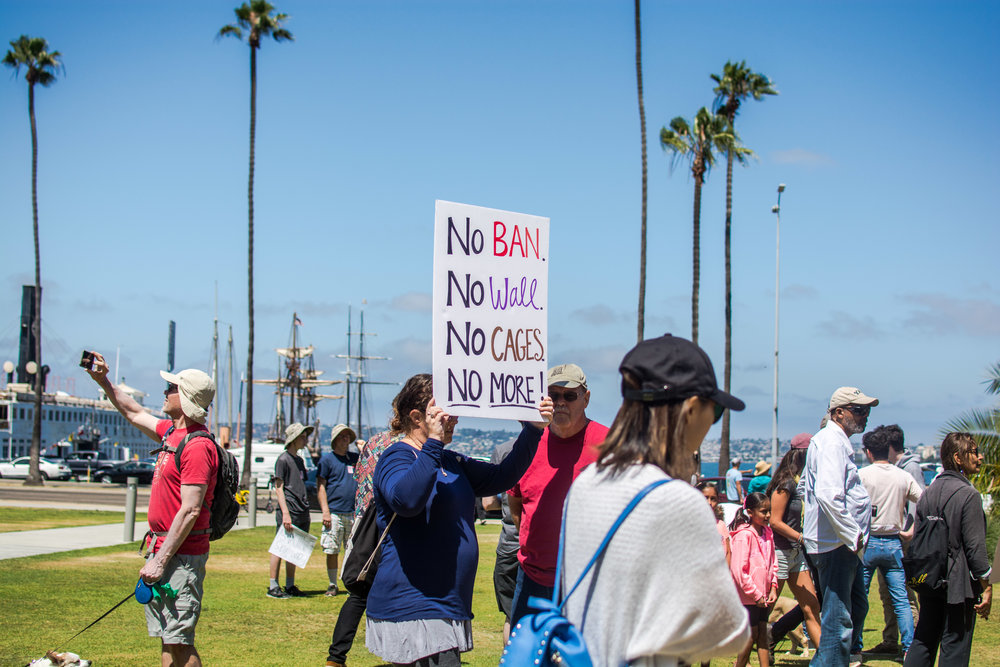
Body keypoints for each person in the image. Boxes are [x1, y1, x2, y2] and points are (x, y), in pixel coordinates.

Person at [561, 334, 749, 665]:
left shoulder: (584, 485)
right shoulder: (675, 500)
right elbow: (730, 630)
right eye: (716, 410)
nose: (713, 422)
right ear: (691, 409)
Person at [365, 374, 553, 666]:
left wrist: (532, 430)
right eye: (445, 413)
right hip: (414, 604)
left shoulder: (450, 461)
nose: (454, 420)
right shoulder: (396, 457)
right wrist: (434, 444)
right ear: (417, 417)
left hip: (444, 603)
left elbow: (501, 476)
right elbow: (407, 501)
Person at [85, 352, 217, 667]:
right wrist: (103, 380)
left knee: (181, 642)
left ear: (185, 398)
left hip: (180, 556)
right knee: (168, 638)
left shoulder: (198, 446)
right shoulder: (172, 434)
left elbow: (190, 510)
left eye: (171, 388)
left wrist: (160, 560)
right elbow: (132, 411)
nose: (164, 392)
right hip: (163, 550)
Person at [507, 363, 609, 624]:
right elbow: (516, 503)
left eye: (569, 396)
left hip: (589, 581)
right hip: (532, 578)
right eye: (553, 395)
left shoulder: (609, 445)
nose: (560, 403)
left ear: (585, 399)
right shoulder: (528, 443)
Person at [802, 386, 877, 667]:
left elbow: (810, 488)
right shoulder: (832, 442)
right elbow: (828, 494)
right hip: (836, 544)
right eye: (858, 410)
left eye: (866, 410)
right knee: (838, 623)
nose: (864, 415)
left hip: (838, 543)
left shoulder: (833, 441)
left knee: (851, 612)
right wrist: (852, 535)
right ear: (838, 413)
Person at [904, 432, 992, 666]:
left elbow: (918, 536)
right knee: (955, 644)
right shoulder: (968, 495)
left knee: (924, 639)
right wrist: (986, 585)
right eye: (974, 452)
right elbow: (975, 548)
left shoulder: (928, 493)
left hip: (929, 577)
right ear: (958, 457)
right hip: (958, 583)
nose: (980, 457)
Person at [325, 431, 395, 667]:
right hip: (389, 522)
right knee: (397, 591)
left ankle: (336, 657)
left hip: (364, 520)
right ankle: (401, 654)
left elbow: (360, 480)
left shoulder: (375, 441)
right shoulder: (406, 443)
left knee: (359, 592)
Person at [855, 425, 923, 657]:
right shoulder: (903, 475)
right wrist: (911, 529)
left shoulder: (862, 475)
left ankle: (855, 647)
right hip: (894, 541)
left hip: (869, 541)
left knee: (859, 597)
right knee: (901, 600)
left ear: (869, 452)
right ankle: (909, 649)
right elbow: (924, 501)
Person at [766, 434, 821, 653]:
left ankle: (827, 659)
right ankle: (743, 659)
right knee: (765, 611)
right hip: (780, 552)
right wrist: (801, 537)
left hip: (795, 553)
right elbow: (775, 521)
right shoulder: (786, 482)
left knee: (812, 607)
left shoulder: (798, 481)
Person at [729, 492, 778, 667]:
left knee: (763, 635)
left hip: (763, 595)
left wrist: (773, 586)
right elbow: (739, 570)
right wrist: (755, 594)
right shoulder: (744, 536)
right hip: (747, 597)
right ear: (750, 512)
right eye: (764, 511)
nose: (768, 515)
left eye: (769, 511)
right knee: (750, 637)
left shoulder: (768, 533)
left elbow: (773, 561)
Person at [268, 422, 312, 599]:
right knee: (280, 547)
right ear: (293, 439)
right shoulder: (283, 459)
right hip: (289, 509)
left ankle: (290, 584)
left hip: (301, 509)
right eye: (302, 436)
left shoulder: (299, 460)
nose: (305, 440)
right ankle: (273, 585)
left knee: (294, 548)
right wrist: (285, 512)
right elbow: (279, 487)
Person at [481, 438, 519, 641]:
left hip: (510, 543)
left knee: (512, 615)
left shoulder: (503, 450)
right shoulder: (555, 444)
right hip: (544, 546)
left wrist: (506, 506)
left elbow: (487, 503)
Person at [317, 423, 358, 596]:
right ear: (335, 440)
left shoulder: (355, 458)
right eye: (342, 436)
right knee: (332, 549)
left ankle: (350, 583)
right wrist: (325, 510)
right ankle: (333, 583)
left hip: (352, 512)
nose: (346, 439)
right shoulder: (327, 460)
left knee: (352, 550)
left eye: (347, 436)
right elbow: (320, 486)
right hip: (334, 512)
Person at [697, 480, 731, 565]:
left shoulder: (721, 525)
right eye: (705, 498)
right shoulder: (692, 525)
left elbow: (728, 552)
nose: (709, 502)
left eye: (713, 499)